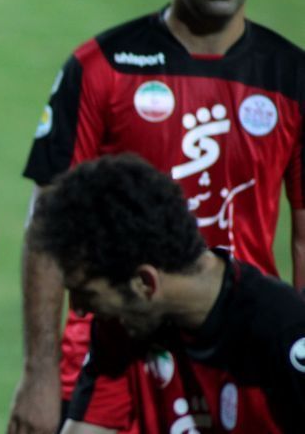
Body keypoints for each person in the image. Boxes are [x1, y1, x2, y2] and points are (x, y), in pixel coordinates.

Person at [8, 0, 305, 432]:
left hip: (241, 346)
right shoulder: (102, 67)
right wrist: (39, 373)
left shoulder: (292, 78)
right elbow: (48, 223)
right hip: (115, 343)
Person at [29, 154, 305, 433]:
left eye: (86, 293)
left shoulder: (283, 334)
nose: (78, 309)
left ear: (145, 282)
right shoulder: (122, 327)